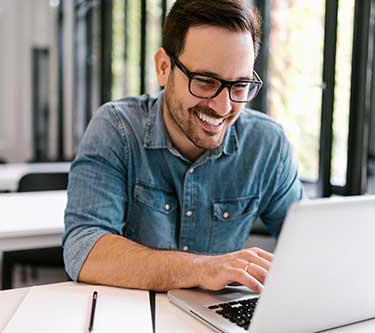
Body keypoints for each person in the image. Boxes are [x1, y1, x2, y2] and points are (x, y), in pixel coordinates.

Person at [63, 0, 304, 293]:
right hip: (130, 316)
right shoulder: (116, 129)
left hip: (213, 318)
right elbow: (83, 249)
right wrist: (202, 269)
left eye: (240, 86)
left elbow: (307, 244)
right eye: (205, 81)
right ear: (164, 68)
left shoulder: (268, 145)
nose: (223, 106)